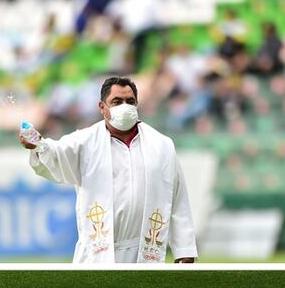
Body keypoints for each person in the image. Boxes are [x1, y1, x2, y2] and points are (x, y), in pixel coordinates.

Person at [20, 76, 197, 264]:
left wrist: (184, 250)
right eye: (117, 102)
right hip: (98, 252)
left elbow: (178, 198)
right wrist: (38, 145)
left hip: (145, 251)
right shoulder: (85, 141)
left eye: (130, 101)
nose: (125, 106)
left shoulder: (162, 145)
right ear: (102, 107)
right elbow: (55, 154)